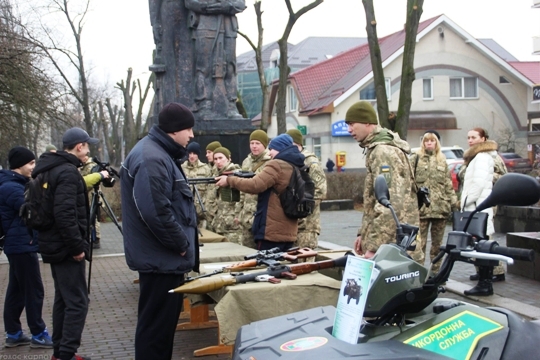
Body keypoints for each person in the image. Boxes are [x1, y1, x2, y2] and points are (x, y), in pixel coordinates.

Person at [120, 102, 199, 360]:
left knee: (158, 331)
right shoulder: (152, 158)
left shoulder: (156, 153)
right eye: (188, 128)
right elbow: (156, 212)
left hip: (161, 259)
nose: (192, 135)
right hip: (161, 260)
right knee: (155, 332)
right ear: (174, 130)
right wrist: (181, 244)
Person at [33, 127, 97, 360]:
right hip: (65, 248)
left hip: (53, 245)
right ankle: (67, 354)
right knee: (78, 302)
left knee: (64, 299)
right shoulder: (68, 172)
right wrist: (77, 247)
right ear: (79, 146)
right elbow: (65, 214)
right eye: (87, 146)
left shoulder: (49, 169)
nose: (89, 151)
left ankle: (60, 352)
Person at [346, 101, 421, 261]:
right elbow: (374, 203)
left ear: (367, 122)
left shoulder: (383, 152)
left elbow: (390, 204)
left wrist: (374, 247)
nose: (349, 129)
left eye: (352, 124)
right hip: (392, 242)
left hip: (394, 247)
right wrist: (363, 234)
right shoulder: (376, 148)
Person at [0, 147, 53, 349]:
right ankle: (38, 333)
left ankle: (13, 332)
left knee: (17, 290)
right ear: (19, 165)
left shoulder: (13, 184)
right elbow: (32, 211)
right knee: (33, 290)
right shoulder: (12, 188)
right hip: (22, 245)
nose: (34, 167)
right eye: (31, 163)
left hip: (19, 245)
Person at [215, 134, 304, 251]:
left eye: (272, 149)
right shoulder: (295, 164)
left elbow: (255, 185)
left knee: (265, 265)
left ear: (280, 149)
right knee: (283, 266)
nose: (270, 153)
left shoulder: (276, 164)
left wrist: (229, 180)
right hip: (288, 230)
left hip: (271, 231)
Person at [459, 127, 504, 296]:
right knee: (480, 245)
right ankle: (483, 282)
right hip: (478, 207)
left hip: (478, 208)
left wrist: (464, 202)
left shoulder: (482, 157)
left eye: (474, 137)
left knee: (483, 246)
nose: (470, 140)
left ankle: (485, 283)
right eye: (469, 137)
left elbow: (477, 184)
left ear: (483, 139)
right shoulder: (477, 157)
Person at [184, 0, 246, 119]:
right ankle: (204, 104)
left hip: (229, 25)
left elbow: (241, 3)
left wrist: (226, 6)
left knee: (230, 66)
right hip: (205, 23)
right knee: (204, 67)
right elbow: (189, 2)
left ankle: (231, 105)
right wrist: (207, 6)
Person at [410, 130, 458, 273]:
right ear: (423, 143)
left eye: (432, 140)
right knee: (419, 244)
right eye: (427, 140)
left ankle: (435, 273)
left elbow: (448, 185)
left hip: (440, 208)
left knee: (437, 245)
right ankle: (418, 272)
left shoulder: (442, 160)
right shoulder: (416, 158)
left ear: (437, 143)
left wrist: (454, 203)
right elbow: (409, 182)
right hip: (422, 209)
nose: (429, 143)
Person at [286, 129, 327, 257]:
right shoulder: (290, 160)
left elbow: (320, 190)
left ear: (297, 145)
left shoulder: (310, 162)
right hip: (292, 222)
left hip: (308, 224)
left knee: (305, 260)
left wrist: (302, 207)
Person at [236, 130, 272, 248]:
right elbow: (241, 188)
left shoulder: (270, 162)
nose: (254, 146)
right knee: (246, 250)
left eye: (258, 143)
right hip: (246, 216)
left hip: (262, 214)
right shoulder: (246, 161)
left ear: (264, 145)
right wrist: (238, 213)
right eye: (252, 143)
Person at [206, 147, 242, 243]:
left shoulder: (237, 174)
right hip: (218, 224)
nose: (218, 161)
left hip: (232, 227)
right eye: (216, 159)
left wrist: (238, 216)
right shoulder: (216, 174)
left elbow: (243, 197)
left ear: (228, 158)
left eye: (221, 158)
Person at [80, 156, 110, 249]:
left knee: (94, 219)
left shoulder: (90, 166)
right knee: (91, 218)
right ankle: (91, 237)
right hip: (88, 196)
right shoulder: (83, 166)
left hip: (92, 195)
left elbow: (91, 181)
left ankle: (96, 239)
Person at [182, 141, 212, 228]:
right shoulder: (181, 168)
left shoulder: (206, 169)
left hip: (201, 210)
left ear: (198, 154)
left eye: (194, 153)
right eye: (190, 153)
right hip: (185, 210)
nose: (191, 156)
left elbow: (209, 190)